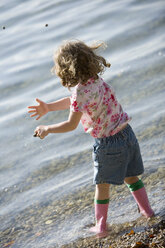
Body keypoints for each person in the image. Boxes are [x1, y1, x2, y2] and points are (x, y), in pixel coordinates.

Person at [28, 40, 154, 237]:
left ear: (66, 69)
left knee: (102, 185)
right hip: (127, 133)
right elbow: (75, 102)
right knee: (131, 177)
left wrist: (47, 128)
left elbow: (71, 123)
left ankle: (101, 227)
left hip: (108, 143)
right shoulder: (95, 80)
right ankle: (147, 212)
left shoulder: (80, 91)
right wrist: (49, 107)